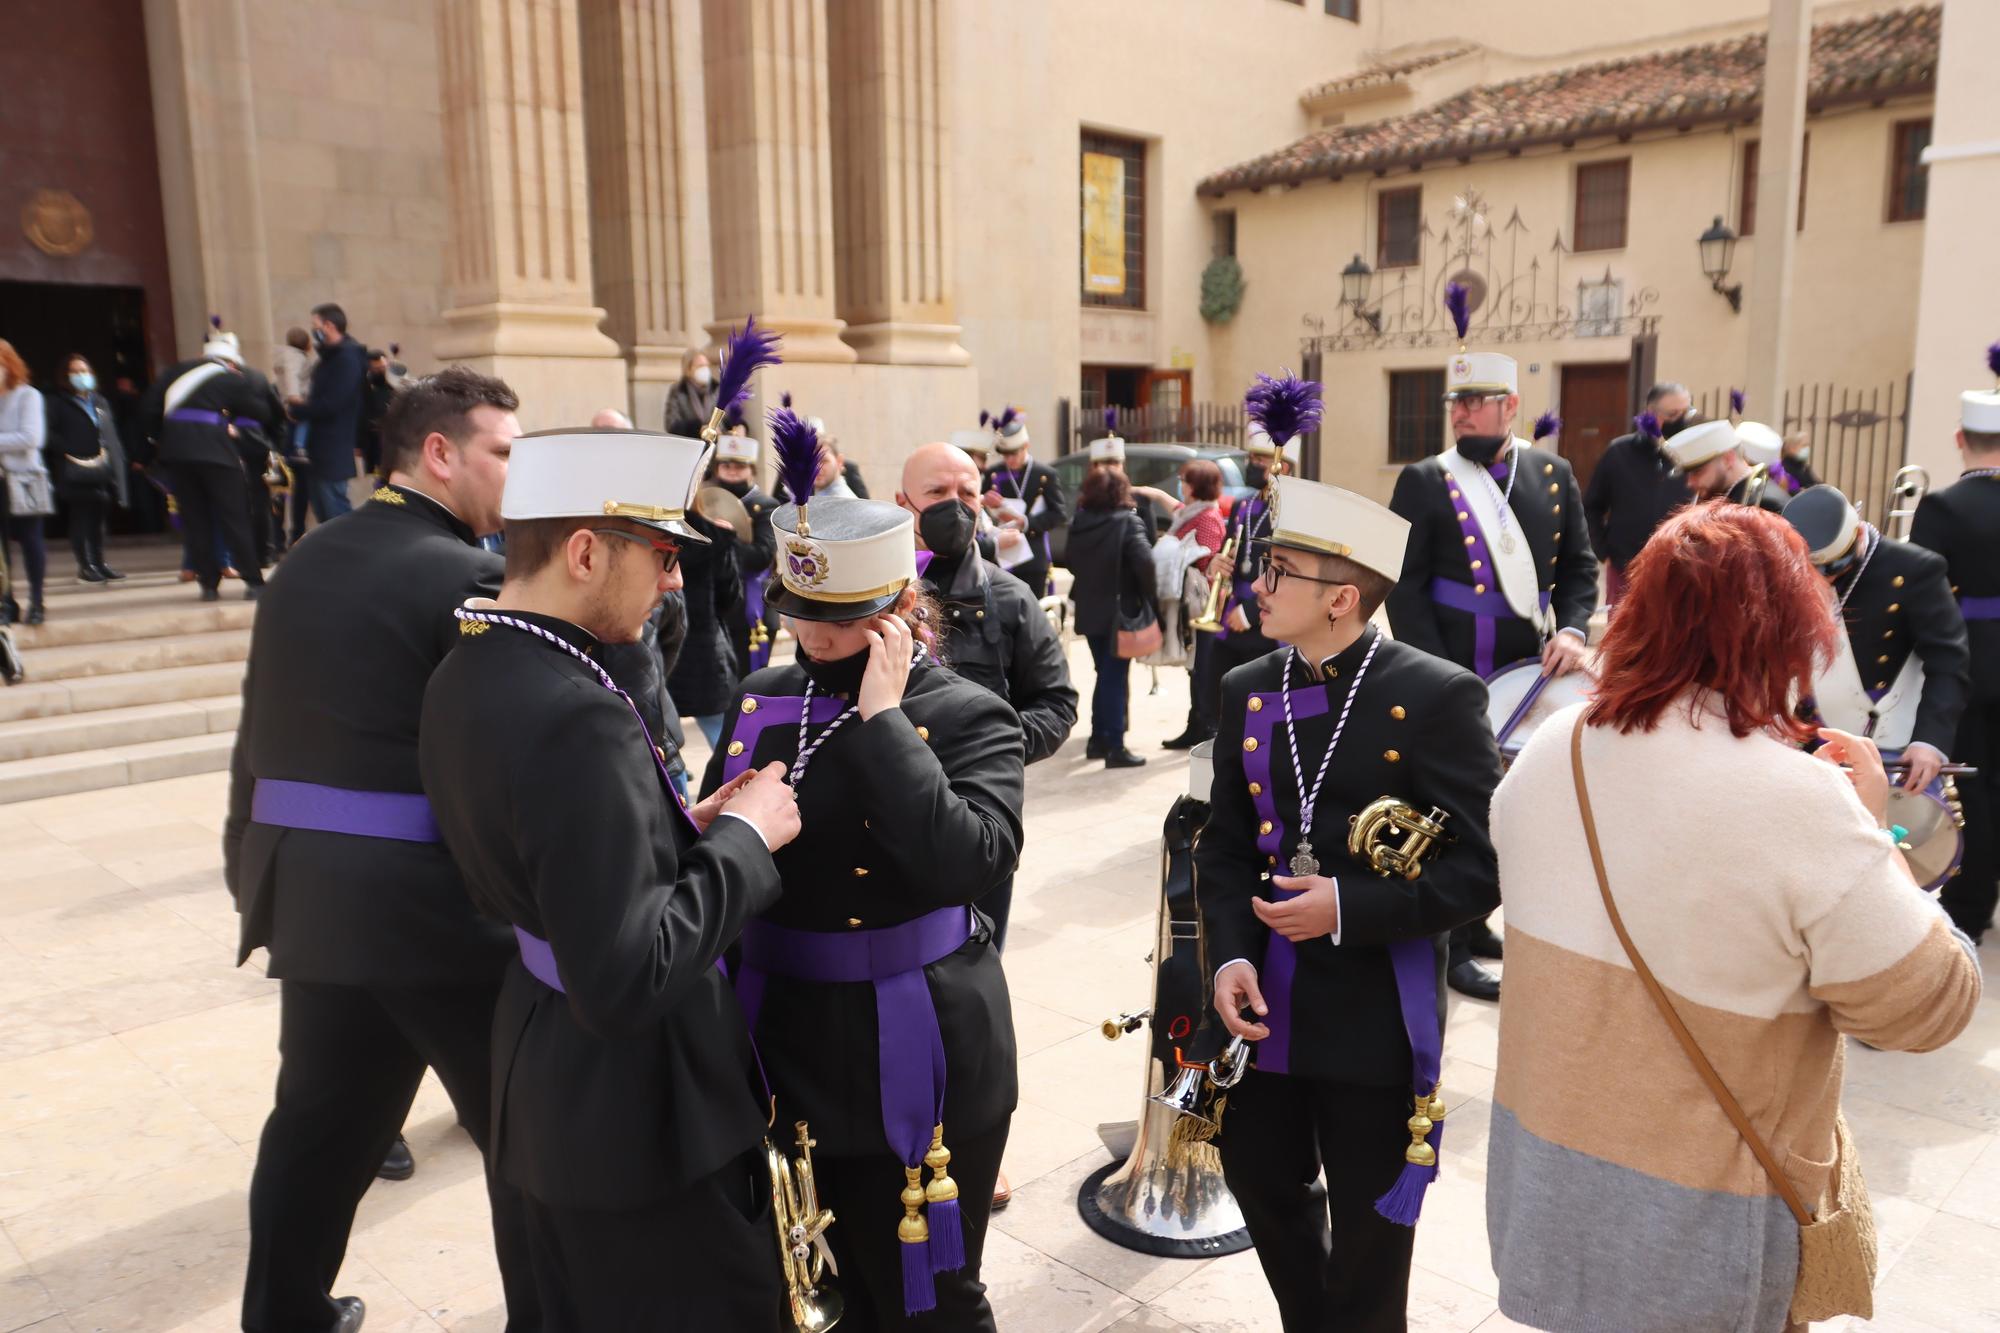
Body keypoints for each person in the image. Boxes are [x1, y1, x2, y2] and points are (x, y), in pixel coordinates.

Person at [1484, 502, 1981, 1333]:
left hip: (1550, 1196)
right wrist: (1878, 832)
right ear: (1786, 636)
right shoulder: (1801, 800)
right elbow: (1930, 1005)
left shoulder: (1551, 747)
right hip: (1702, 1229)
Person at [422, 427, 798, 1331]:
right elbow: (627, 974)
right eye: (662, 554)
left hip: (543, 1077)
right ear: (586, 551)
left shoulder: (470, 665)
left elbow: (543, 860)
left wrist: (678, 828)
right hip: (634, 1118)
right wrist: (745, 840)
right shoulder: (575, 711)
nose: (675, 580)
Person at [224, 368, 537, 1333]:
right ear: (438, 454)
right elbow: (510, 756)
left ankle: (282, 1314)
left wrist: (256, 871)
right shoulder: (470, 577)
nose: (515, 479)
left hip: (312, 899)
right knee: (531, 1138)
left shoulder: (308, 557)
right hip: (433, 914)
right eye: (502, 454)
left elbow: (256, 735)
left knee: (320, 1127)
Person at [701, 414, 1022, 1328]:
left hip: (914, 1033)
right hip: (777, 1028)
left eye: (836, 619)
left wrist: (886, 725)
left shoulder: (966, 715)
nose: (810, 633)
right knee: (807, 1274)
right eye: (798, 612)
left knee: (925, 1290)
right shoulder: (763, 696)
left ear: (895, 611)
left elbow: (976, 858)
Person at [1198, 473, 1502, 1333]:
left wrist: (1349, 906)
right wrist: (1224, 956)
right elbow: (1220, 844)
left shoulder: (1439, 694)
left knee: (1372, 1233)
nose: (1256, 584)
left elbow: (1482, 870)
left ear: (1340, 597)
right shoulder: (1246, 684)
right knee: (1259, 1179)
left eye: (1277, 570)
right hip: (1261, 996)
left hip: (1372, 1007)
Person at [1386, 311, 1598, 1001]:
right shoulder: (1424, 478)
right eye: (1456, 402)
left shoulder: (1554, 473)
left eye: (1476, 401)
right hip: (1451, 670)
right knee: (1449, 806)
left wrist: (1572, 632)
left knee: (1510, 800)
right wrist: (1436, 675)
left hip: (1524, 675)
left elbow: (1579, 572)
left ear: (1511, 406)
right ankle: (1447, 949)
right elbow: (1405, 587)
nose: (1462, 412)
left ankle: (1478, 920)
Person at [898, 438, 1078, 947]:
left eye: (967, 492)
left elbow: (1057, 704)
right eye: (936, 491)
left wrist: (990, 747)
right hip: (887, 808)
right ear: (901, 502)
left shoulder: (1011, 597)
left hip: (978, 818)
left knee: (974, 961)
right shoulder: (875, 593)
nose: (954, 505)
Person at [1782, 484, 1969, 796]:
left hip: (1896, 740)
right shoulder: (1785, 569)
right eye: (1815, 570)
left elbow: (1949, 662)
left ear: (1857, 536)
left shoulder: (1915, 568)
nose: (1825, 579)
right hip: (1817, 736)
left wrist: (1930, 742)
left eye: (1834, 568)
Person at [1911, 371, 2000, 943]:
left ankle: (1971, 902)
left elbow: (1923, 593)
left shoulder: (1941, 505)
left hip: (1971, 661)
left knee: (1973, 782)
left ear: (1959, 440)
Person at [136, 328, 280, 603]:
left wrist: (161, 441)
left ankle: (209, 585)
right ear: (230, 360)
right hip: (216, 453)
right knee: (234, 516)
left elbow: (149, 410)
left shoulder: (173, 372)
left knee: (196, 520)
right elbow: (261, 412)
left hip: (177, 453)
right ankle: (252, 581)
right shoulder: (230, 378)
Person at [1066, 437, 1161, 769]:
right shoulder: (1128, 521)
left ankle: (1097, 740)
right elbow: (1147, 565)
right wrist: (1150, 597)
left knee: (1104, 673)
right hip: (1121, 612)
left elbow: (1072, 562)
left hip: (1090, 611)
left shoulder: (1080, 521)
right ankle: (1115, 746)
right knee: (1113, 676)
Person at [1203, 422, 1295, 740]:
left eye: (1260, 459)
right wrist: (1217, 563)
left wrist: (1251, 613)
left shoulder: (1293, 509)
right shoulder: (1246, 505)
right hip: (1232, 615)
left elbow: (1294, 572)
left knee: (1259, 707)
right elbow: (1232, 551)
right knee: (1220, 694)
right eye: (1251, 458)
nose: (1251, 465)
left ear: (1282, 463)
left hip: (1268, 619)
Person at [1581, 382, 1695, 606]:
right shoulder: (1619, 452)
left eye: (1686, 412)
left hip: (1681, 569)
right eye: (1673, 414)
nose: (1682, 421)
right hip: (1627, 568)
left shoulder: (1694, 454)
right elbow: (1592, 506)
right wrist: (1605, 551)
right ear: (1651, 414)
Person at [45, 353, 130, 584]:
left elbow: (111, 433)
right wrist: (69, 449)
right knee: (81, 517)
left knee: (99, 515)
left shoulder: (100, 401)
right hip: (74, 468)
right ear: (66, 376)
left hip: (100, 466)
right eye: (76, 372)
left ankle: (100, 562)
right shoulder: (56, 402)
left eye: (85, 371)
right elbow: (48, 433)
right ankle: (85, 565)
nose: (82, 376)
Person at [1162, 457, 1228, 750]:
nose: (1181, 485)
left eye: (1185, 480)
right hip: (1188, 601)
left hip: (1203, 603)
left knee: (1203, 668)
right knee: (1195, 667)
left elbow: (1210, 560)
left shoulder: (1207, 518)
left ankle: (1208, 725)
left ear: (1196, 485)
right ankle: (1196, 723)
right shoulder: (1190, 512)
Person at [708, 429, 780, 676]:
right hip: (713, 606)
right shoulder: (703, 502)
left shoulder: (765, 506)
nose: (732, 470)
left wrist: (727, 539)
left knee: (748, 683)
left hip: (750, 608)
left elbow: (761, 556)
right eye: (726, 465)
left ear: (752, 469)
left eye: (739, 466)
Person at [979, 407, 1067, 599]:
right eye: (1005, 454)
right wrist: (987, 503)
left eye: (1014, 454)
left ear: (1026, 445)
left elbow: (1058, 514)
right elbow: (978, 509)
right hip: (1000, 552)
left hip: (1033, 555)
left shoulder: (1045, 474)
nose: (1009, 459)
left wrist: (1026, 522)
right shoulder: (993, 473)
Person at [296, 303, 367, 523]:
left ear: (329, 325)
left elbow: (333, 403)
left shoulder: (346, 359)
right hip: (319, 448)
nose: (313, 330)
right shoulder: (330, 359)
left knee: (335, 512)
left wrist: (298, 409)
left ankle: (352, 555)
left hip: (332, 447)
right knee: (323, 512)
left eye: (315, 325)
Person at [0, 340, 53, 626]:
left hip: (24, 480)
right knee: (1, 550)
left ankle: (37, 600)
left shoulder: (27, 396)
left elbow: (32, 438)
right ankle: (6, 601)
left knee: (31, 542)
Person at [1663, 417, 1784, 510]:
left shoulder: (1766, 503)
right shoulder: (1713, 494)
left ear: (1728, 459)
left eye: (1697, 472)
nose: (1690, 483)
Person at [272, 328, 314, 553]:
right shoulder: (294, 359)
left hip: (284, 437)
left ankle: (289, 535)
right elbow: (292, 378)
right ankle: (288, 536)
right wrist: (295, 399)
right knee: (293, 490)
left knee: (291, 491)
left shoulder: (280, 360)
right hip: (292, 438)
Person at [662, 346, 716, 437]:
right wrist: (698, 428)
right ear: (688, 369)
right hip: (690, 444)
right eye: (700, 366)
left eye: (707, 366)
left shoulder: (716, 389)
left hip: (714, 445)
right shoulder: (678, 391)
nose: (705, 370)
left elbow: (727, 419)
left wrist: (740, 426)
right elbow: (671, 424)